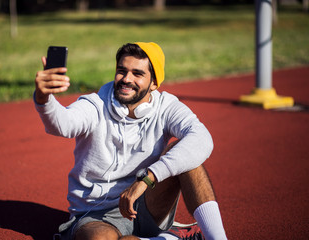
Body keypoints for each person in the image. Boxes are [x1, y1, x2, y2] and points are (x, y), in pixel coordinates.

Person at [34, 42, 227, 240]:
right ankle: (170, 239)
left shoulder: (166, 106)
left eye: (137, 73)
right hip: (96, 215)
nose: (126, 79)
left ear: (154, 83)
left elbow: (202, 138)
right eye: (121, 71)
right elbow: (62, 124)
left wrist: (148, 178)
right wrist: (43, 98)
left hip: (147, 204)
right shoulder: (95, 105)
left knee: (188, 157)